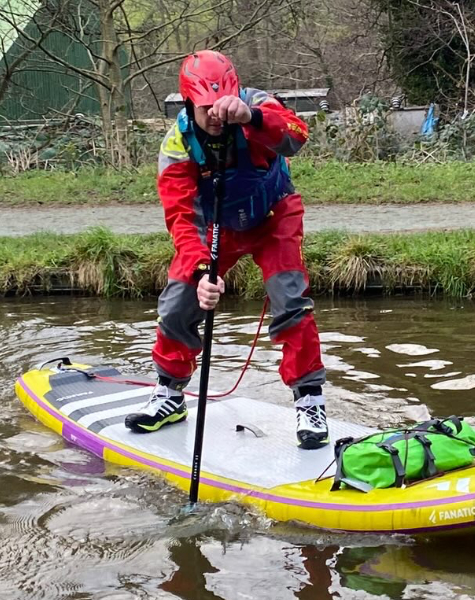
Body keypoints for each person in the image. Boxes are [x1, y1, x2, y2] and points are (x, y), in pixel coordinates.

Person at [124, 50, 328, 450]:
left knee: (289, 299)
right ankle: (169, 393)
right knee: (179, 300)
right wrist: (202, 273)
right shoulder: (177, 146)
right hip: (216, 227)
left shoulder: (257, 106)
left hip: (274, 217)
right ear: (188, 103)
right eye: (205, 109)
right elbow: (181, 219)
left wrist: (251, 117)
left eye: (219, 105)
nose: (215, 116)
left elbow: (297, 136)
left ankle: (309, 399)